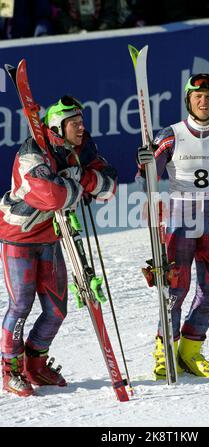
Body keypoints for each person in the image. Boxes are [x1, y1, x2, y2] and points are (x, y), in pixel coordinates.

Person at [136, 74, 209, 380]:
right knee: (175, 287)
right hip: (181, 215)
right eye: (198, 97)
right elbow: (146, 179)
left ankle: (190, 350)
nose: (204, 102)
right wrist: (145, 163)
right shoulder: (171, 135)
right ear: (188, 100)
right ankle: (165, 351)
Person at [0, 95, 117, 396]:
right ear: (57, 125)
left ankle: (34, 363)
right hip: (20, 235)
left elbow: (109, 185)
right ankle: (10, 368)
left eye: (81, 122)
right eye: (74, 123)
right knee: (21, 304)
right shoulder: (31, 150)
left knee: (56, 309)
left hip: (53, 235)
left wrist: (77, 177)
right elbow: (48, 195)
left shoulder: (82, 148)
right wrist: (80, 184)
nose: (81, 128)